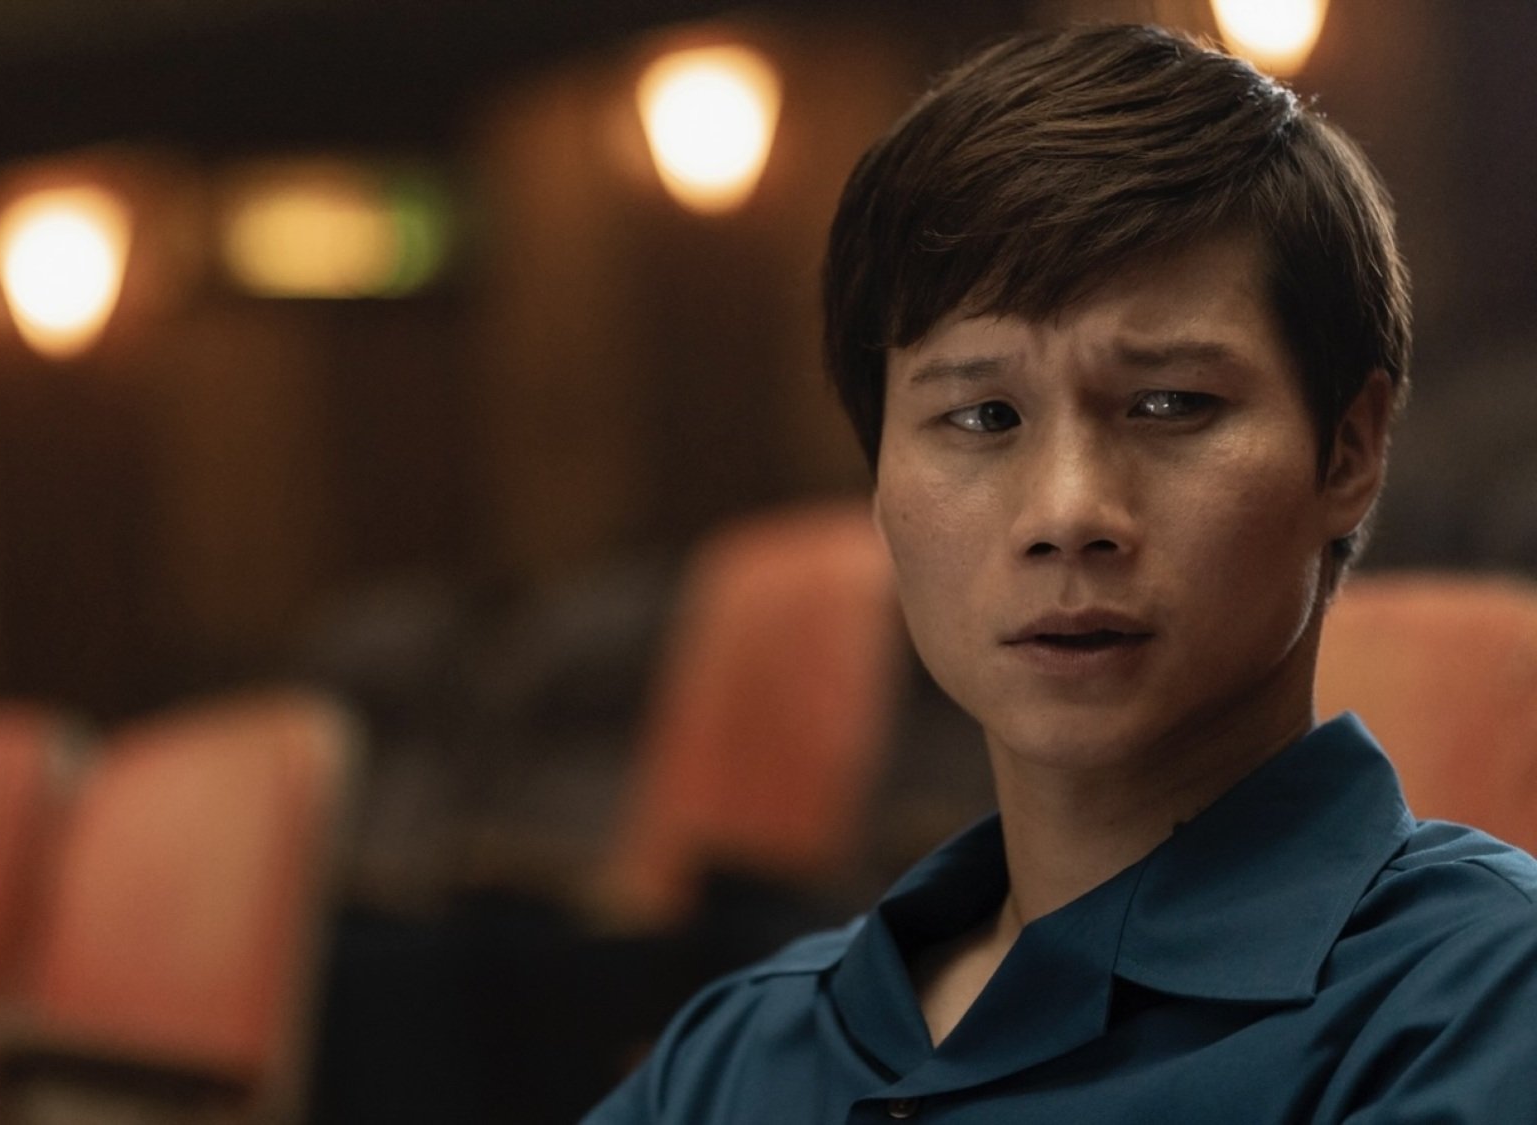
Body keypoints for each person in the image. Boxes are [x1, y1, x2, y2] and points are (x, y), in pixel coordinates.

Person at [583, 22, 1537, 1124]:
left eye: (1170, 404)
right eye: (981, 416)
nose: (1067, 512)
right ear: (879, 472)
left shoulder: (1471, 1000)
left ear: (1348, 450)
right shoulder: (743, 1046)